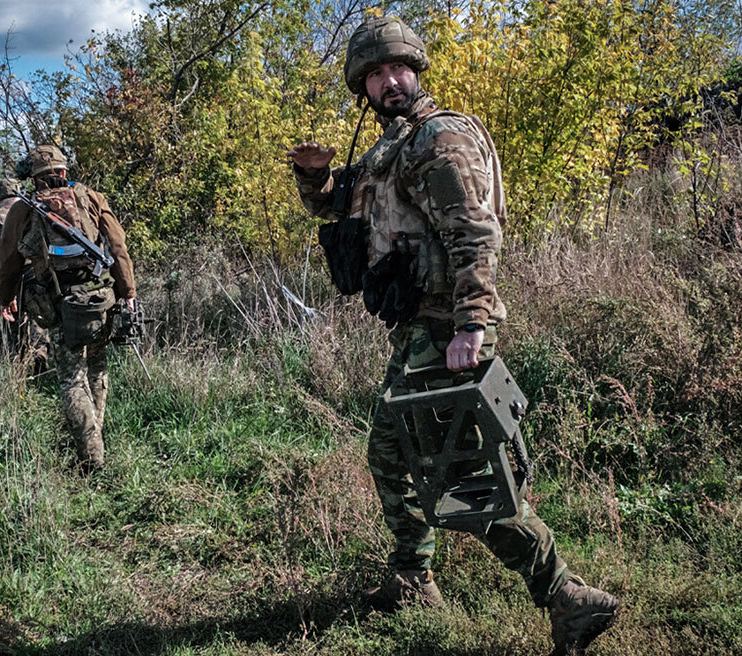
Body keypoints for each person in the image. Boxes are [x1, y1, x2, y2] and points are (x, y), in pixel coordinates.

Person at [287, 16, 619, 655]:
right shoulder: (394, 149)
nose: (389, 82)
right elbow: (342, 207)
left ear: (417, 70)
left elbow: (474, 232)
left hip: (447, 331)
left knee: (460, 479)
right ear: (365, 87)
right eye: (376, 75)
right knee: (389, 453)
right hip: (417, 332)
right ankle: (413, 577)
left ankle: (566, 596)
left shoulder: (438, 139)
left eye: (397, 69)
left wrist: (471, 322)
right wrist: (316, 176)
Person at [0, 145, 137, 472]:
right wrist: (127, 290)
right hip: (102, 298)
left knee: (72, 380)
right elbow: (117, 247)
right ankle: (95, 440)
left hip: (60, 304)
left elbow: (9, 261)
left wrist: (6, 297)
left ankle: (91, 455)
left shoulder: (24, 209)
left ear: (34, 177)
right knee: (98, 368)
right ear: (62, 171)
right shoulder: (91, 197)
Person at [0, 178, 48, 367]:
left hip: (9, 276)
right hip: (36, 273)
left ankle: (21, 361)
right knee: (39, 319)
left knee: (14, 319)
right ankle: (40, 358)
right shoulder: (34, 210)